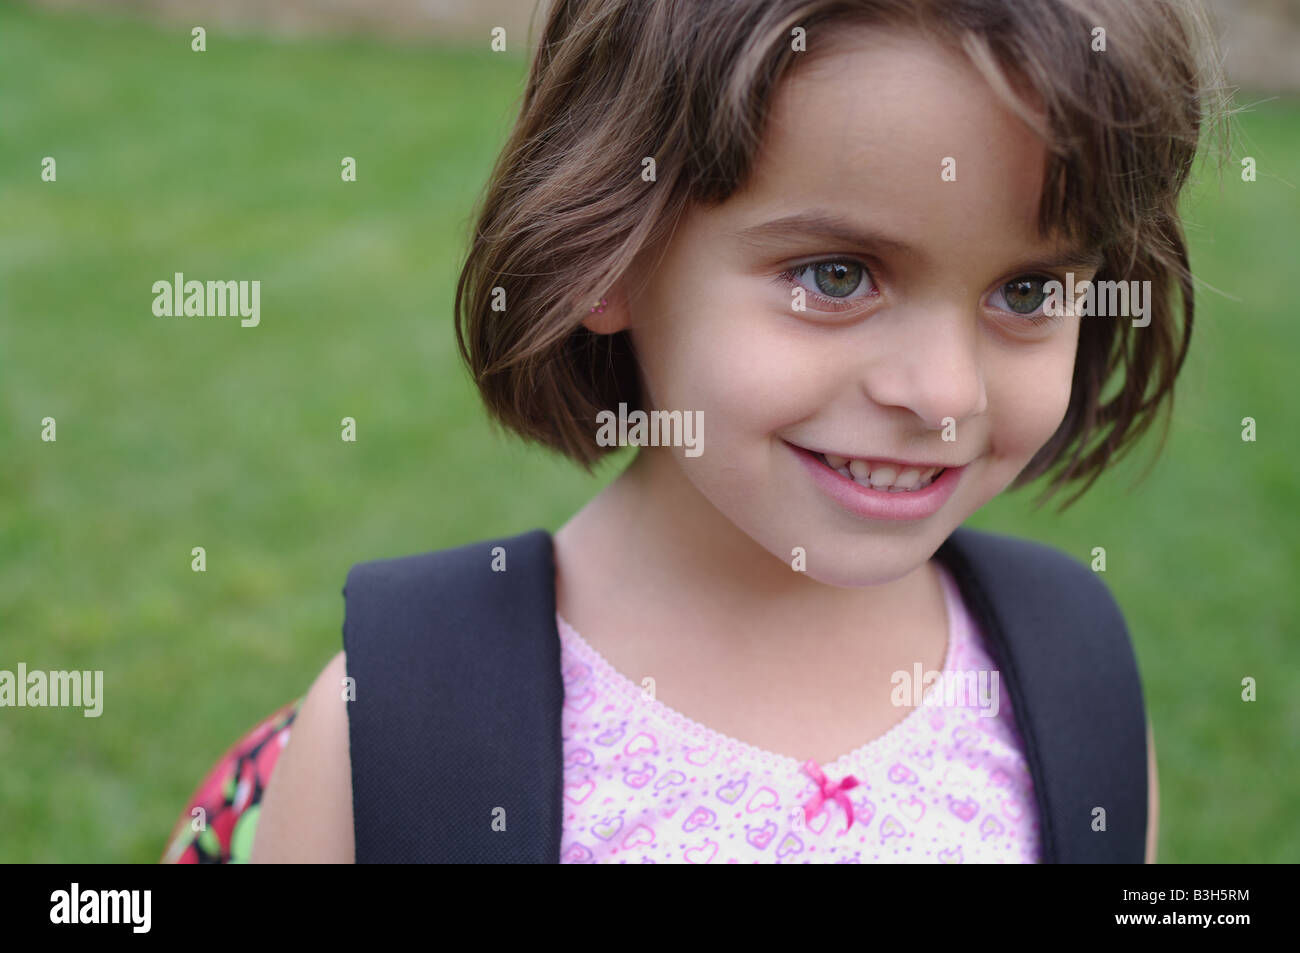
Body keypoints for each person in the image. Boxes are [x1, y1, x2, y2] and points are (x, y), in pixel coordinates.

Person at [245, 0, 1226, 864]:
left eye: (1026, 291)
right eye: (836, 275)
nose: (942, 392)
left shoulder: (1073, 677)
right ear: (608, 254)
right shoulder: (404, 719)